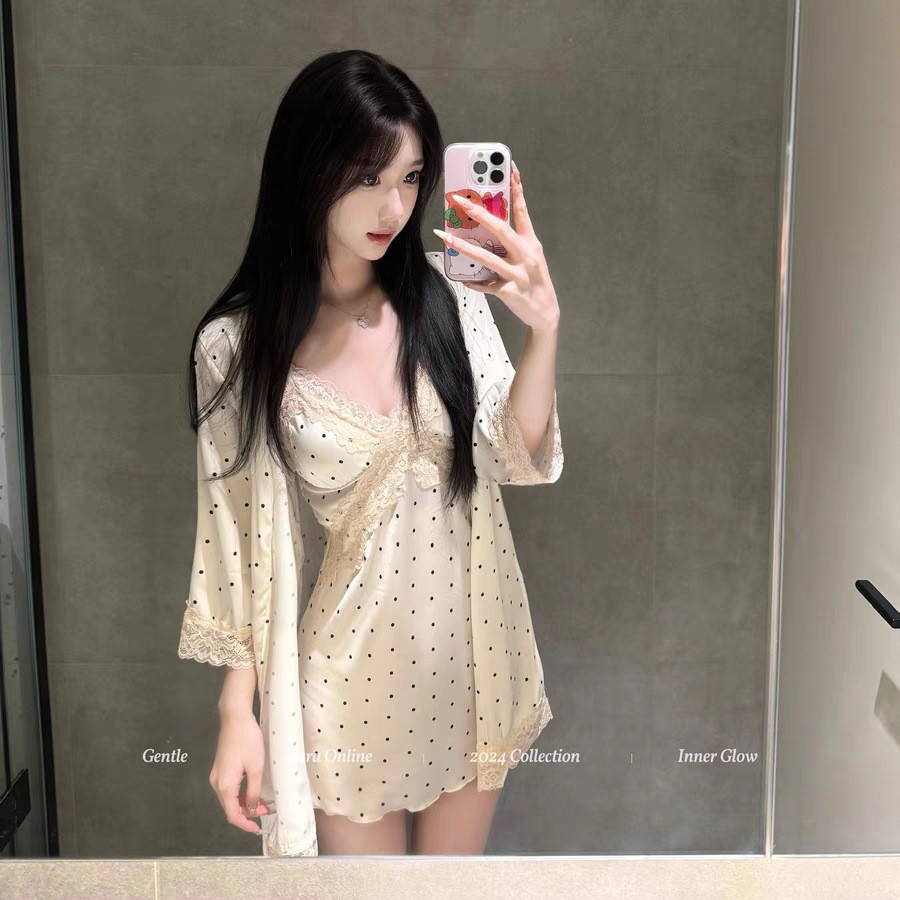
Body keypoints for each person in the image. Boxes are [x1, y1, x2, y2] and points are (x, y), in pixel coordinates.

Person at [177, 48, 564, 857]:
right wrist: (236, 713)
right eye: (366, 177)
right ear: (308, 170)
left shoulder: (451, 293)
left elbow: (514, 456)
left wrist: (543, 330)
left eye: (412, 177)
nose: (394, 206)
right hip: (347, 690)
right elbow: (239, 544)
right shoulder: (237, 347)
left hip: (473, 664)